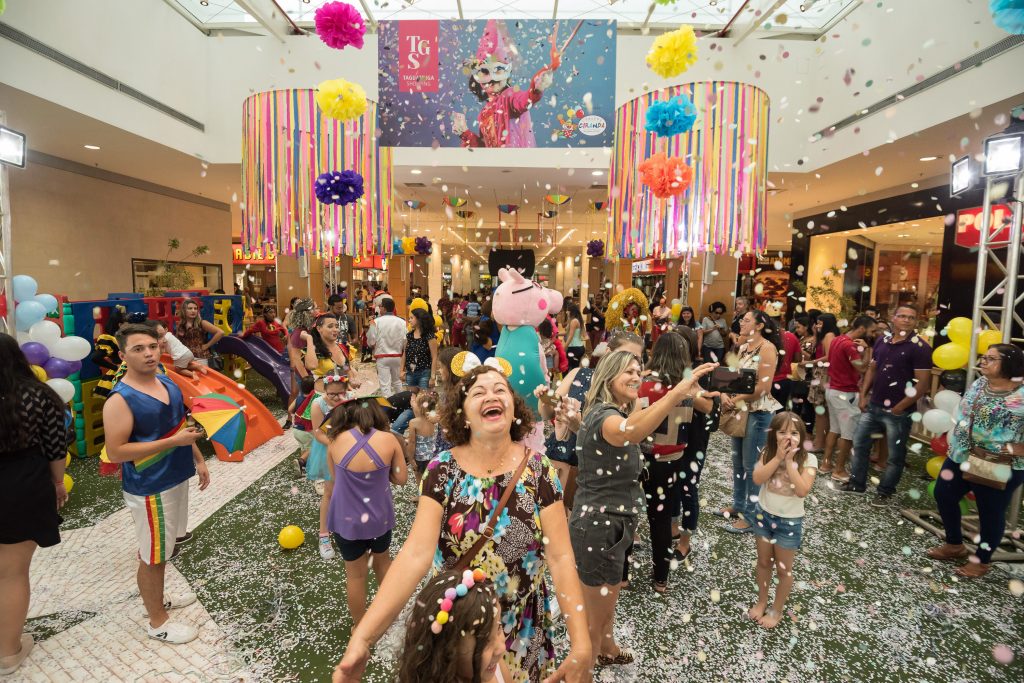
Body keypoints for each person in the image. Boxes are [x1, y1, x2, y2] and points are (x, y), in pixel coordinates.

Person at [333, 365, 592, 683]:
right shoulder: (442, 470)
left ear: (514, 410)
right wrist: (363, 638)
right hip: (458, 631)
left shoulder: (540, 470)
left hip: (521, 626)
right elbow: (416, 555)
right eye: (478, 392)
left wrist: (582, 644)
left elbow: (561, 558)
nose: (491, 395)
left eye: (500, 390)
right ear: (463, 414)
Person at [572, 350, 714, 664]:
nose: (637, 376)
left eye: (639, 370)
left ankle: (607, 647)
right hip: (598, 523)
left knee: (609, 599)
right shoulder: (607, 417)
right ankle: (587, 661)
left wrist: (686, 393)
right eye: (628, 372)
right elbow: (634, 432)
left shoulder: (616, 410)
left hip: (614, 519)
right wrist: (678, 391)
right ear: (608, 377)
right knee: (594, 614)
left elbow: (636, 420)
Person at [101, 324, 210, 644]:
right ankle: (157, 621)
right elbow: (118, 451)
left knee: (166, 547)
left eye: (151, 346)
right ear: (123, 355)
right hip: (150, 487)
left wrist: (197, 456)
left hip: (177, 476)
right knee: (153, 554)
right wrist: (173, 441)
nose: (149, 353)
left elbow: (179, 424)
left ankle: (158, 599)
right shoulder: (120, 400)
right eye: (138, 349)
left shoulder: (165, 381)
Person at [0, 335, 70, 675]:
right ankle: (8, 652)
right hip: (21, 484)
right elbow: (55, 446)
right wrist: (58, 483)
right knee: (11, 573)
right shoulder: (40, 395)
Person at [927, 343, 1024, 578]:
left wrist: (1011, 448)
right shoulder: (981, 383)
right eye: (984, 357)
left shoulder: (1021, 395)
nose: (983, 361)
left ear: (1009, 364)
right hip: (961, 454)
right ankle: (954, 544)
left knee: (990, 511)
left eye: (991, 358)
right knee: (944, 493)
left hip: (998, 462)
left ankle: (981, 561)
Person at [636, 332, 718, 592]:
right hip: (671, 459)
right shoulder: (687, 387)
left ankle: (623, 575)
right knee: (661, 520)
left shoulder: (644, 382)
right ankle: (661, 578)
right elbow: (707, 409)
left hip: (640, 455)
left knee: (629, 513)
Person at [538, 332, 644, 511]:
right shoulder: (578, 374)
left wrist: (580, 427)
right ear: (608, 352)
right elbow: (547, 413)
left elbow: (621, 451)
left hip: (593, 477)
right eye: (624, 355)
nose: (630, 362)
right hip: (559, 461)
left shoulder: (632, 400)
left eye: (636, 359)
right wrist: (545, 399)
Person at [842, 305, 932, 506]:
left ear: (916, 321)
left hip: (899, 411)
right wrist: (864, 395)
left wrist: (901, 407)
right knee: (859, 445)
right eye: (902, 316)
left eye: (911, 317)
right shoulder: (882, 340)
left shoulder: (920, 347)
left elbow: (923, 384)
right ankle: (857, 484)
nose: (906, 320)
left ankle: (885, 491)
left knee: (894, 456)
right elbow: (872, 370)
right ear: (893, 318)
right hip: (873, 405)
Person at [327, 396, 407, 622]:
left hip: (346, 521)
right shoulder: (388, 440)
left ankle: (359, 627)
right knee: (383, 565)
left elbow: (335, 479)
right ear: (375, 413)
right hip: (379, 519)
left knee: (355, 577)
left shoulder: (335, 441)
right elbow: (401, 479)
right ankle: (390, 616)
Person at [748, 412, 817, 628]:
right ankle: (762, 601)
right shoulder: (768, 453)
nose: (788, 437)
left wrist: (789, 462)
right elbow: (758, 478)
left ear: (802, 436)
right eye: (782, 432)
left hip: (789, 522)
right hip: (763, 516)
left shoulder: (809, 459)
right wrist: (777, 458)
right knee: (763, 562)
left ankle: (776, 610)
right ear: (773, 435)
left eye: (794, 432)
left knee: (784, 570)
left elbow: (802, 490)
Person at [720, 310, 783, 533]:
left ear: (758, 325)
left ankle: (751, 515)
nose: (741, 323)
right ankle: (739, 505)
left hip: (758, 413)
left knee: (752, 466)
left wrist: (735, 398)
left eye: (746, 321)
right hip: (741, 411)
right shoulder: (744, 346)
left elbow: (763, 388)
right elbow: (731, 375)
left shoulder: (767, 349)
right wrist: (724, 394)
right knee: (738, 463)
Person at [394, 569, 511, 683]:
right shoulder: (488, 666)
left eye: (499, 627)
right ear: (447, 652)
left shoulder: (494, 666)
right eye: (485, 642)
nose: (501, 648)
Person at [669, 325, 720, 562]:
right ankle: (673, 527)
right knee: (670, 486)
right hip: (671, 437)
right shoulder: (668, 369)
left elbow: (709, 407)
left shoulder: (700, 371)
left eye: (678, 342)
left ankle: (685, 542)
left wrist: (684, 391)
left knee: (688, 488)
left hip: (694, 437)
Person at [822, 315, 877, 483]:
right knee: (847, 434)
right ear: (862, 329)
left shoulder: (838, 339)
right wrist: (868, 351)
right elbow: (861, 368)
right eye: (872, 330)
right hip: (845, 393)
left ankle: (826, 464)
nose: (874, 334)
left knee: (834, 429)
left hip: (833, 390)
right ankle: (839, 470)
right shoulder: (849, 345)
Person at [307, 373, 353, 560]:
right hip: (327, 448)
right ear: (324, 391)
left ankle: (346, 524)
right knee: (329, 492)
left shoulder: (350, 400)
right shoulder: (318, 404)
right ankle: (324, 536)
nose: (336, 398)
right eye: (332, 394)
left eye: (340, 394)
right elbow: (318, 434)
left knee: (349, 489)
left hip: (349, 447)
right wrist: (336, 445)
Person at [808, 313, 840, 456]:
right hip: (821, 373)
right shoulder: (824, 335)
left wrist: (810, 363)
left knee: (821, 411)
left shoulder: (829, 335)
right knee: (820, 411)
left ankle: (820, 442)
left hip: (823, 373)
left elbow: (829, 356)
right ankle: (820, 440)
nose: (817, 325)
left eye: (820, 323)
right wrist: (816, 333)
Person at [367, 298, 407, 396]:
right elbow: (406, 340)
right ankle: (402, 404)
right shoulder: (402, 321)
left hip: (382, 356)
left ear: (384, 308)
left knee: (385, 385)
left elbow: (371, 340)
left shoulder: (376, 321)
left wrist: (372, 346)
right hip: (398, 356)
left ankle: (389, 408)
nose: (379, 308)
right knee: (397, 382)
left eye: (380, 306)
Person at [175, 299, 224, 366]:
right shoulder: (181, 324)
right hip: (185, 357)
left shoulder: (201, 323)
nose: (193, 311)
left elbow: (220, 332)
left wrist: (207, 345)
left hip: (200, 358)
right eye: (190, 308)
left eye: (195, 308)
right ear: (184, 310)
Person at [403, 390, 439, 478]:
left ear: (420, 407)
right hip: (433, 456)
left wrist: (410, 459)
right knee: (430, 478)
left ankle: (421, 491)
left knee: (419, 478)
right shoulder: (436, 420)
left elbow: (412, 442)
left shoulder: (413, 423)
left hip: (420, 458)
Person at [401, 309, 438, 390]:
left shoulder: (430, 336)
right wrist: (401, 371)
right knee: (411, 398)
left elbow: (434, 357)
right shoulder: (409, 336)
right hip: (410, 373)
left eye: (411, 318)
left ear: (419, 319)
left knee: (423, 399)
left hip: (425, 373)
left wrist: (432, 377)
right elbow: (405, 353)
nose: (409, 320)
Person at [772, 324, 802, 411]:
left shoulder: (765, 336)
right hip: (785, 380)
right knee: (780, 412)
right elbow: (798, 359)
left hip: (767, 380)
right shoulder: (791, 336)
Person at [563, 300, 586, 370]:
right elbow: (569, 333)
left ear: (571, 311)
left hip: (575, 348)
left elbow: (570, 336)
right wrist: (557, 335)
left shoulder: (574, 321)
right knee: (574, 368)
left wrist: (564, 347)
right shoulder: (574, 320)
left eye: (568, 311)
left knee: (572, 368)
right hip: (578, 347)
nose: (566, 312)